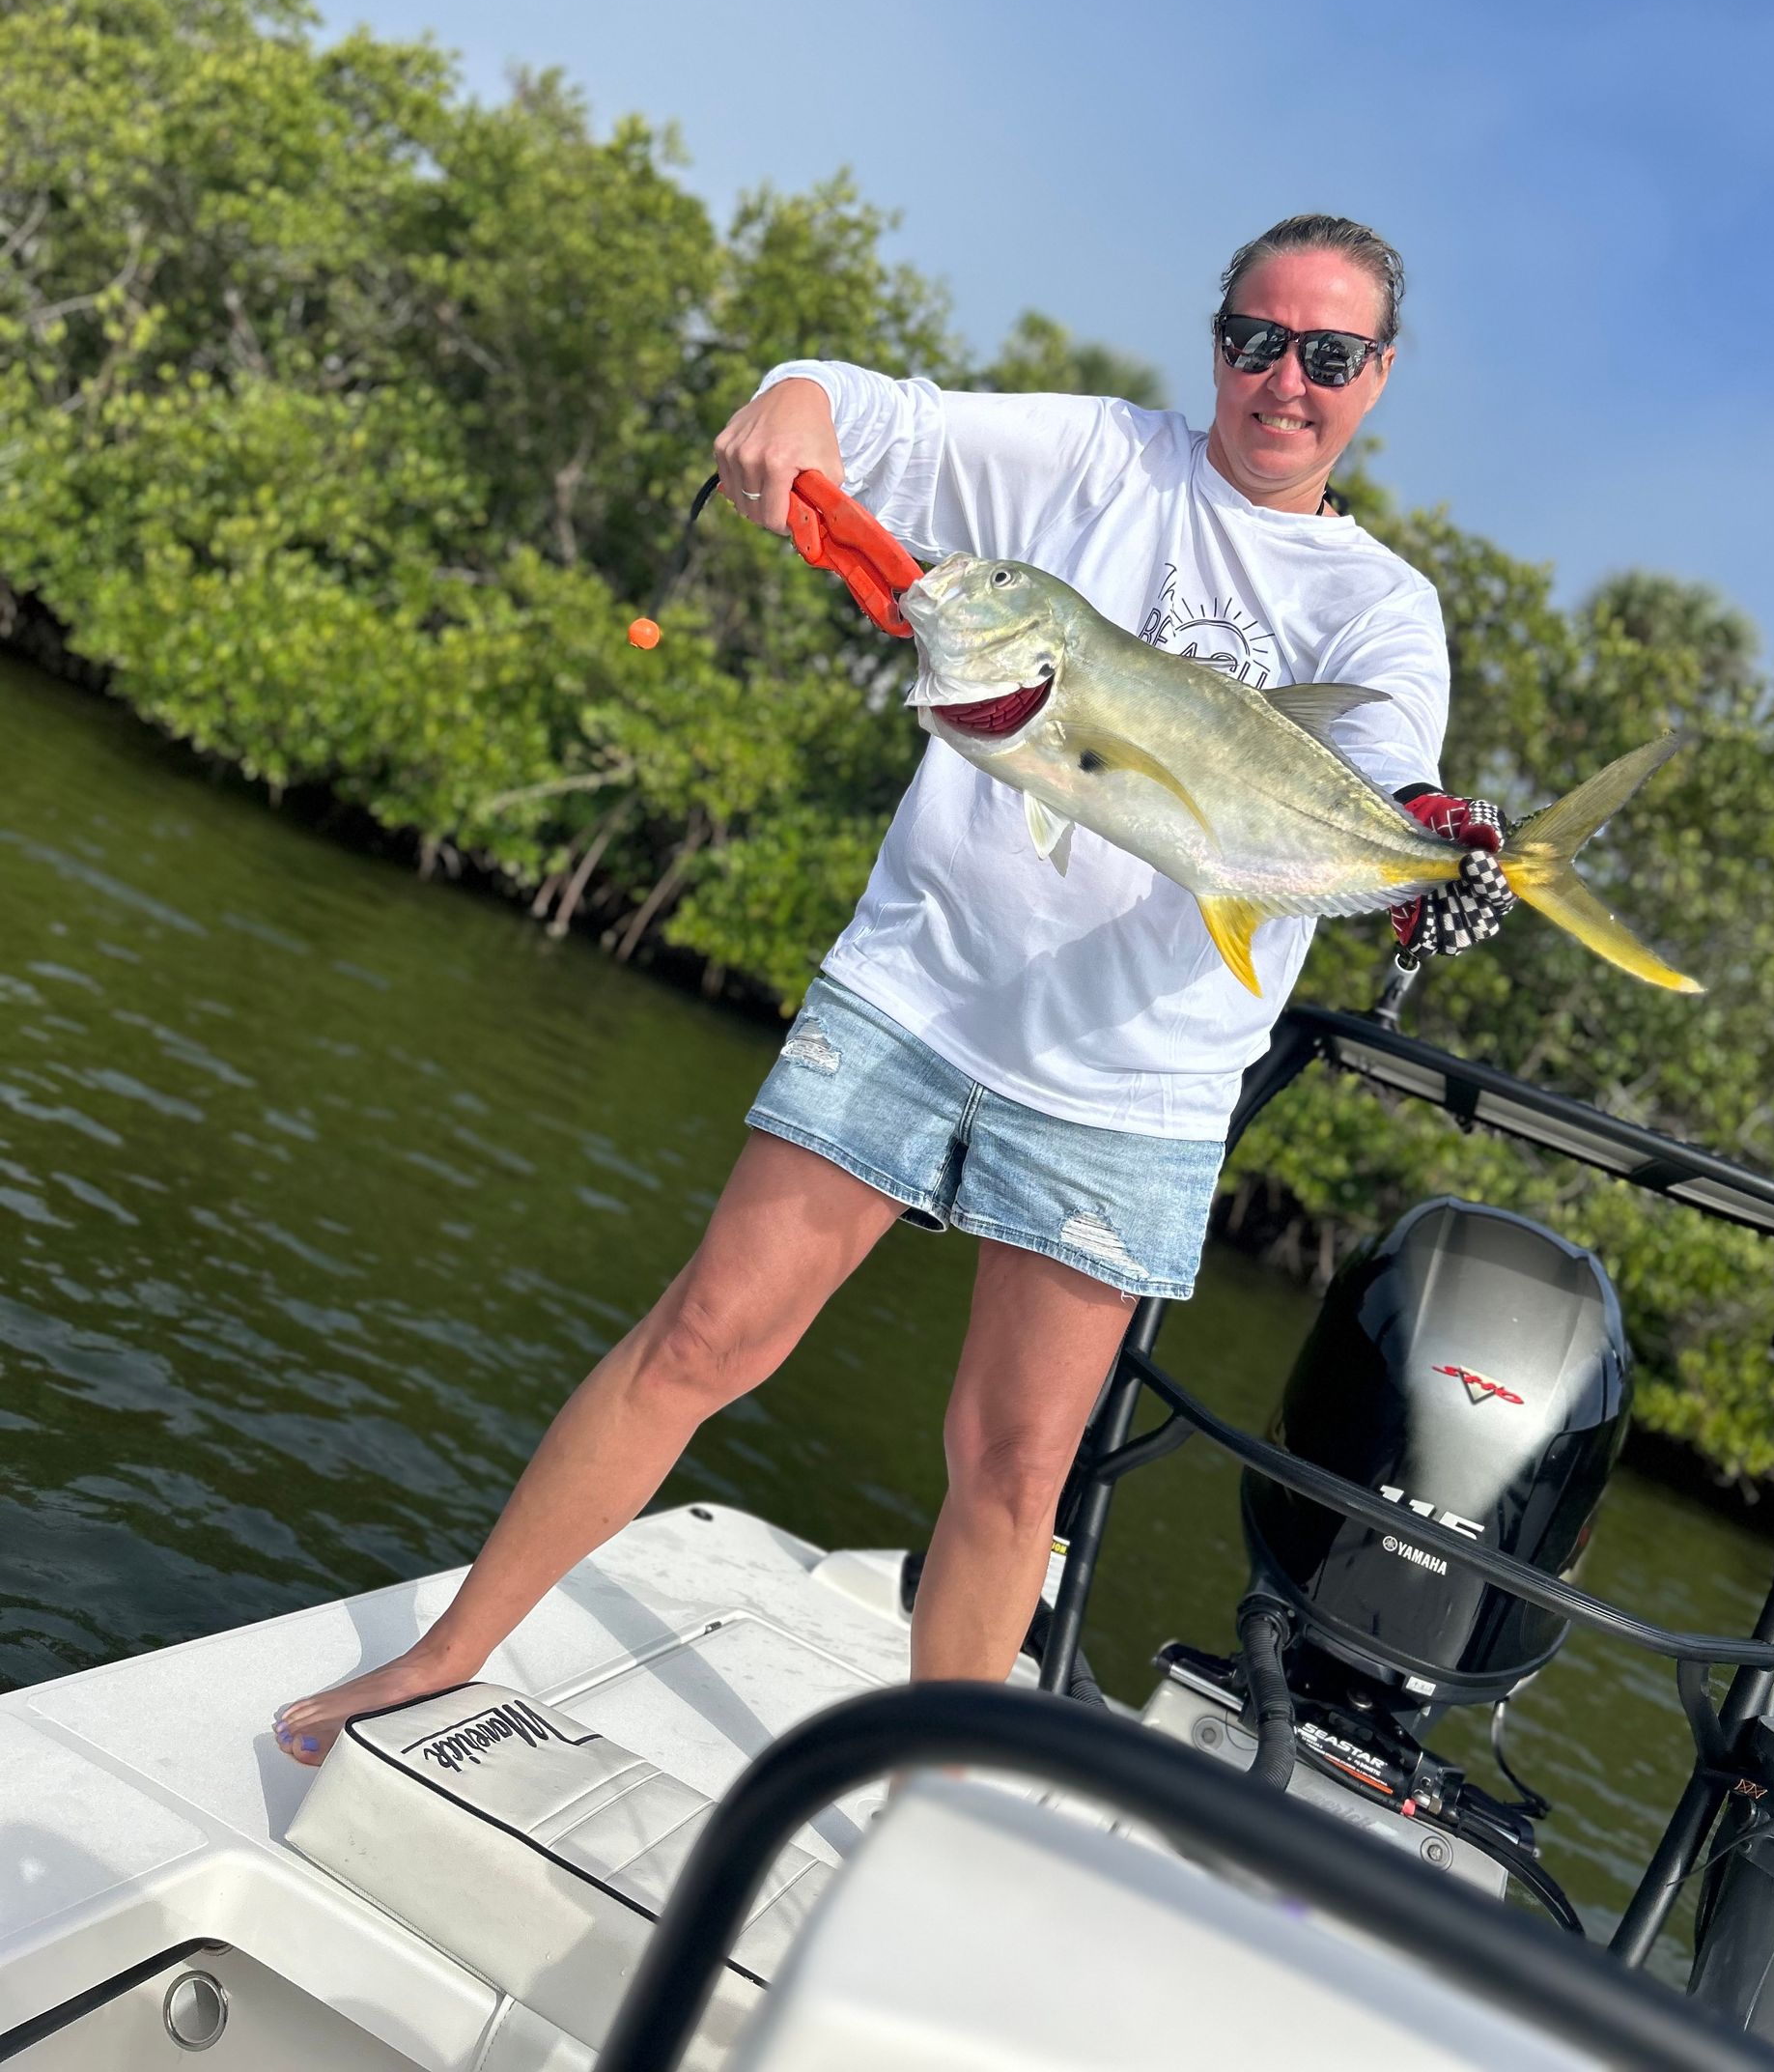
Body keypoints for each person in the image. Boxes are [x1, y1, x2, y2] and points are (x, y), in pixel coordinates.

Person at [274, 212, 1509, 1764]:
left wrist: (1444, 860)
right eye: (1254, 340)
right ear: (1216, 343)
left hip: (1134, 1084)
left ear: (1378, 377)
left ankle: (924, 1818)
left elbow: (1395, 784)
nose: (1283, 380)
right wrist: (795, 397)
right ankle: (445, 1656)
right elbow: (876, 416)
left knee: (1009, 1472)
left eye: (1328, 356)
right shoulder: (1102, 462)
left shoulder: (1383, 609)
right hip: (915, 994)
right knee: (703, 1338)